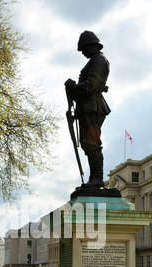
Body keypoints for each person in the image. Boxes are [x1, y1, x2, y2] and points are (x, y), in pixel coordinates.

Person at [65, 31, 110, 188]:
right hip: (87, 107)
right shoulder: (94, 61)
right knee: (87, 143)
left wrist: (73, 87)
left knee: (92, 142)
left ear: (92, 46)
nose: (83, 53)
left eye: (84, 49)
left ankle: (97, 178)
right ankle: (94, 178)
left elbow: (91, 86)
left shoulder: (99, 61)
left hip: (93, 107)